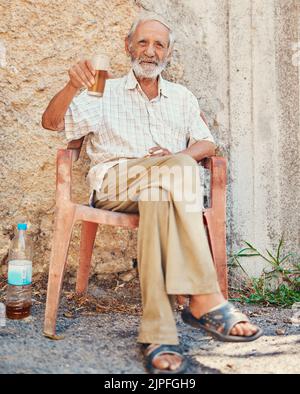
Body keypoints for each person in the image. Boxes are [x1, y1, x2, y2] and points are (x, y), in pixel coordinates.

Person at [42, 14, 263, 374]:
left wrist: (177, 158)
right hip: (115, 183)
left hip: (164, 188)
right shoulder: (103, 90)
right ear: (128, 47)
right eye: (143, 42)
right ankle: (205, 297)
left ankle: (157, 334)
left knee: (163, 190)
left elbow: (207, 142)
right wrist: (70, 86)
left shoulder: (181, 97)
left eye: (159, 44)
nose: (150, 50)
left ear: (168, 53)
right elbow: (52, 123)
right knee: (179, 169)